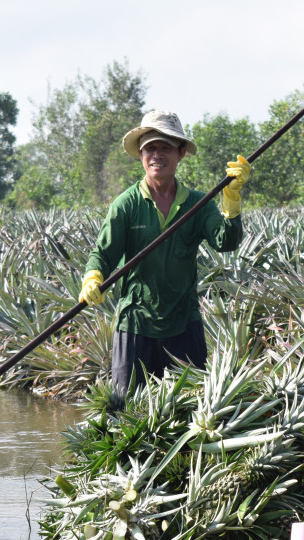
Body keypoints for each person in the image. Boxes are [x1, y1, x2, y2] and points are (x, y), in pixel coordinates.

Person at [78, 110, 251, 400]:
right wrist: (93, 276)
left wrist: (231, 198)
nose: (157, 155)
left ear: (181, 153)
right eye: (150, 148)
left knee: (188, 410)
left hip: (183, 323)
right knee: (126, 412)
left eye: (166, 147)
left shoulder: (198, 204)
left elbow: (226, 241)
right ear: (141, 155)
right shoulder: (126, 204)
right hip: (135, 324)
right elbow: (103, 252)